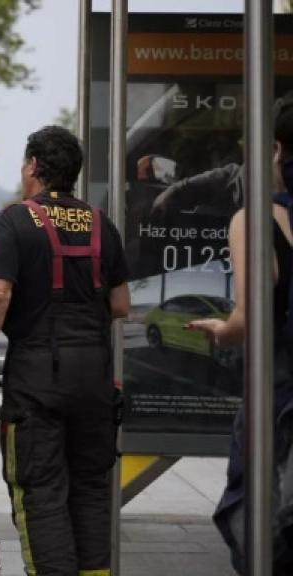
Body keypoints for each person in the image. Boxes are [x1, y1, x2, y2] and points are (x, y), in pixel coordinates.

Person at [0, 126, 130, 576]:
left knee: (41, 490)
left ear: (34, 167)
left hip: (38, 377)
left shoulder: (15, 221)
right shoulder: (101, 223)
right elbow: (120, 304)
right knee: (92, 488)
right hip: (94, 375)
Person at [188, 97, 293, 574]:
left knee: (259, 523)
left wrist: (221, 329)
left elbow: (250, 317)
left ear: (273, 149)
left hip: (279, 395)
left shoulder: (256, 218)